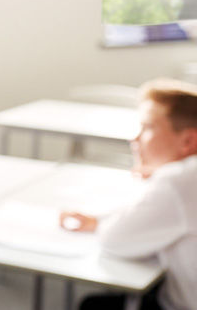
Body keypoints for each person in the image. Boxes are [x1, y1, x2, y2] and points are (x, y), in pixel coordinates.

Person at [59, 79, 197, 310]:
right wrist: (98, 220)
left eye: (148, 128)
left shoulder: (178, 180)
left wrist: (155, 178)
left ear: (188, 140)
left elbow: (114, 240)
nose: (135, 138)